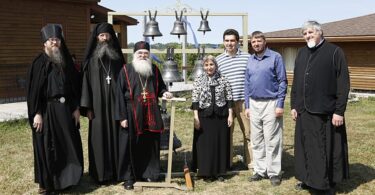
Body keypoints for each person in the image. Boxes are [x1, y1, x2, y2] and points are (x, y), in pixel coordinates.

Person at [291, 21, 350, 194]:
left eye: (311, 32)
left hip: (325, 111)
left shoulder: (334, 52)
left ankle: (325, 184)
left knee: (323, 149)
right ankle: (308, 179)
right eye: (305, 33)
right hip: (304, 111)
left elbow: (343, 83)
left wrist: (339, 111)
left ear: (320, 32)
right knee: (305, 148)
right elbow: (296, 82)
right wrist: (294, 105)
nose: (308, 36)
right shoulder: (301, 53)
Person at [26, 24, 83, 194]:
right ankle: (47, 183)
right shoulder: (38, 64)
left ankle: (68, 180)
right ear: (44, 42)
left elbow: (73, 87)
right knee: (46, 145)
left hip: (65, 109)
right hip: (46, 110)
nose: (55, 42)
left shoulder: (66, 62)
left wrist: (76, 108)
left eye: (57, 39)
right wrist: (36, 113)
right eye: (51, 40)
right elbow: (33, 92)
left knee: (67, 143)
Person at [115, 41, 173, 190]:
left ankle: (150, 173)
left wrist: (164, 92)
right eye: (140, 53)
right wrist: (122, 117)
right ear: (135, 55)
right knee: (129, 145)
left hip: (150, 112)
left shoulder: (154, 69)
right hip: (130, 112)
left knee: (150, 144)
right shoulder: (126, 70)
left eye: (145, 53)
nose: (143, 55)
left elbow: (160, 87)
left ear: (149, 55)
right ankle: (129, 177)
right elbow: (118, 95)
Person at [80, 22, 125, 183]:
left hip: (115, 106)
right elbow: (85, 84)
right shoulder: (91, 60)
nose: (105, 38)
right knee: (98, 138)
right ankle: (100, 174)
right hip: (97, 108)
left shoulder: (118, 59)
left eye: (107, 35)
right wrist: (88, 108)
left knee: (117, 136)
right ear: (97, 38)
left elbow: (124, 83)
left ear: (111, 37)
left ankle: (116, 172)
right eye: (101, 36)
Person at [244, 31, 287, 186]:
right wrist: (247, 106)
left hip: (271, 102)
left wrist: (280, 104)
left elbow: (282, 81)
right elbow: (247, 84)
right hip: (254, 104)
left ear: (264, 41)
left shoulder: (275, 57)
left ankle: (274, 172)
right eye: (253, 41)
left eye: (258, 41)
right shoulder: (250, 60)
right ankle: (259, 170)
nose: (256, 44)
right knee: (256, 140)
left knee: (272, 139)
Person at [191, 55, 233, 181]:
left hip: (220, 116)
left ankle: (220, 172)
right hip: (204, 117)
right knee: (206, 145)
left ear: (216, 65)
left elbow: (229, 97)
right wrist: (195, 117)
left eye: (211, 65)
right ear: (203, 67)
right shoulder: (199, 79)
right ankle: (206, 172)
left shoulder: (223, 79)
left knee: (220, 143)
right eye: (206, 65)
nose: (209, 67)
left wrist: (230, 114)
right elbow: (195, 99)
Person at [216, 29, 253, 169]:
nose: (229, 43)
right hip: (226, 104)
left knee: (249, 134)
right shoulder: (218, 60)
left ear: (237, 41)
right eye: (227, 41)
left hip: (244, 102)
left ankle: (251, 163)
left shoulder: (247, 57)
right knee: (226, 135)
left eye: (232, 40)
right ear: (223, 42)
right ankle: (227, 163)